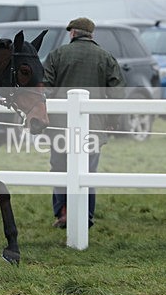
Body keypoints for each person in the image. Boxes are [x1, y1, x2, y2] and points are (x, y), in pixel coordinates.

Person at [43, 17, 125, 229]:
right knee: (87, 171)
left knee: (60, 169)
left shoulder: (57, 55)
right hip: (93, 125)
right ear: (91, 35)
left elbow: (45, 89)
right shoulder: (106, 57)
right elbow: (117, 93)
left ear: (72, 33)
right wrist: (113, 120)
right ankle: (86, 215)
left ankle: (63, 213)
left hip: (60, 125)